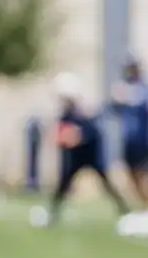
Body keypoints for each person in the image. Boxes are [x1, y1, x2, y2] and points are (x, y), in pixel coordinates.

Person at [30, 73, 132, 228]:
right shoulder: (66, 115)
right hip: (76, 157)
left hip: (90, 154)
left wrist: (74, 137)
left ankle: (125, 212)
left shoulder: (83, 114)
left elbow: (86, 134)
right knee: (64, 185)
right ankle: (52, 213)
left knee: (106, 183)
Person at [108, 52, 148, 237]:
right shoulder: (126, 85)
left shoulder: (143, 87)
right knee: (132, 173)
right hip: (128, 139)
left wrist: (124, 95)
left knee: (144, 172)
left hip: (143, 138)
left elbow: (140, 102)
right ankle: (143, 208)